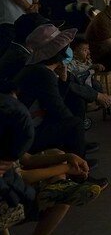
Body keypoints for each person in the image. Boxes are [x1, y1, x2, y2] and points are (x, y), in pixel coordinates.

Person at [1, 91, 102, 235]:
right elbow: (22, 177)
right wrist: (66, 167)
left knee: (58, 155)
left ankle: (59, 186)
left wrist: (67, 157)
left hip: (13, 189)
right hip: (7, 205)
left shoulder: (6, 132)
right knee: (63, 200)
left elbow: (27, 160)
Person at [13, 24, 88, 159]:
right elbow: (58, 109)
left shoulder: (38, 68)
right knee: (75, 124)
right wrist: (76, 130)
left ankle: (74, 150)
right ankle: (78, 166)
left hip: (29, 127)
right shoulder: (43, 73)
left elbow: (54, 101)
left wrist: (63, 80)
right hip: (26, 137)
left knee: (75, 102)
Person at [66, 37, 111, 111]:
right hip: (78, 82)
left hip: (88, 80)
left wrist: (96, 66)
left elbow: (90, 67)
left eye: (88, 49)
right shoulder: (72, 62)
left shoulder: (87, 61)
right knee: (83, 91)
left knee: (97, 84)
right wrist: (90, 68)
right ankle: (88, 104)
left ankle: (101, 101)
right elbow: (73, 72)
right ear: (74, 53)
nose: (88, 52)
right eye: (84, 50)